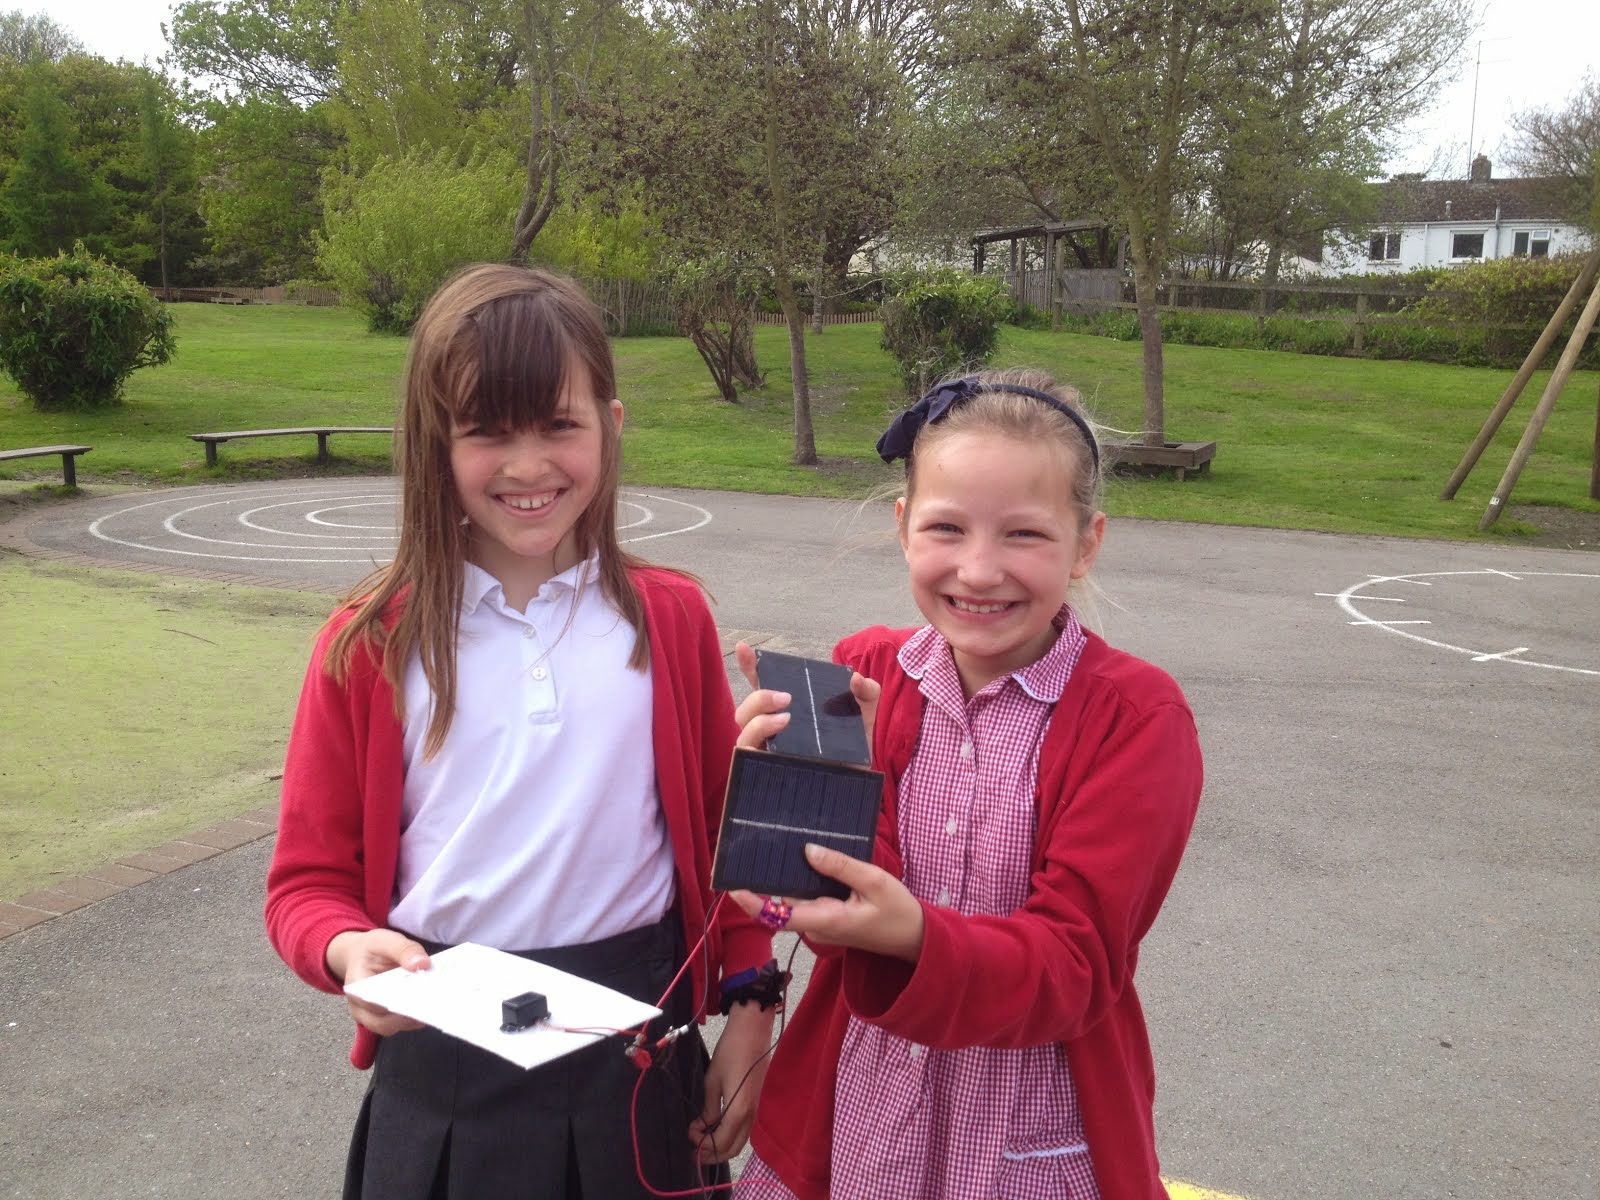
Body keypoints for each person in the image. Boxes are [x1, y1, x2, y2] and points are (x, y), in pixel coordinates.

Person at [265, 263, 776, 1200]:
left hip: (642, 1060)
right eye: (488, 431)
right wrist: (348, 950)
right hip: (443, 1078)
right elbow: (306, 885)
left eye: (559, 425)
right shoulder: (367, 642)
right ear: (433, 442)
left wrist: (751, 1005)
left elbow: (724, 838)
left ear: (611, 428)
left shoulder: (672, 619)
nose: (528, 465)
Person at [731, 369, 1204, 1200]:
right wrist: (786, 826)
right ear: (905, 526)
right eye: (947, 527)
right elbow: (837, 928)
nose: (980, 571)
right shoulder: (867, 671)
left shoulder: (1136, 718)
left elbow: (1076, 965)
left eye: (1024, 535)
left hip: (1028, 1126)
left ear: (1087, 542)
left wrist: (915, 934)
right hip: (854, 1116)